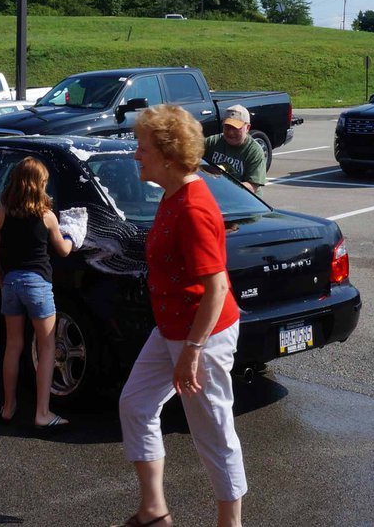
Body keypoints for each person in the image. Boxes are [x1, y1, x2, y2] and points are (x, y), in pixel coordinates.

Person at [116, 105, 246, 527]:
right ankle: (153, 511)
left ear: (169, 157)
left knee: (212, 431)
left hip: (201, 334)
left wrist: (192, 351)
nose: (137, 155)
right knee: (135, 405)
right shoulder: (171, 194)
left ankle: (231, 523)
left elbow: (217, 288)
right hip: (173, 327)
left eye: (143, 148)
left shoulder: (192, 206)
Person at [0, 157, 74, 428]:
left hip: (11, 283)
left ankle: (9, 407)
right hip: (37, 284)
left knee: (13, 345)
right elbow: (63, 250)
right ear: (39, 185)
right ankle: (42, 413)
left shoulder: (1, 213)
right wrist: (72, 236)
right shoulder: (46, 216)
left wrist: (4, 282)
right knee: (46, 347)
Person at [202, 105, 266, 195]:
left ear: (247, 128)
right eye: (227, 127)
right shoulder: (213, 142)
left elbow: (252, 186)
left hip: (244, 201)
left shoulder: (254, 151)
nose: (230, 132)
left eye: (235, 128)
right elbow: (190, 153)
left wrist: (224, 187)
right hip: (218, 196)